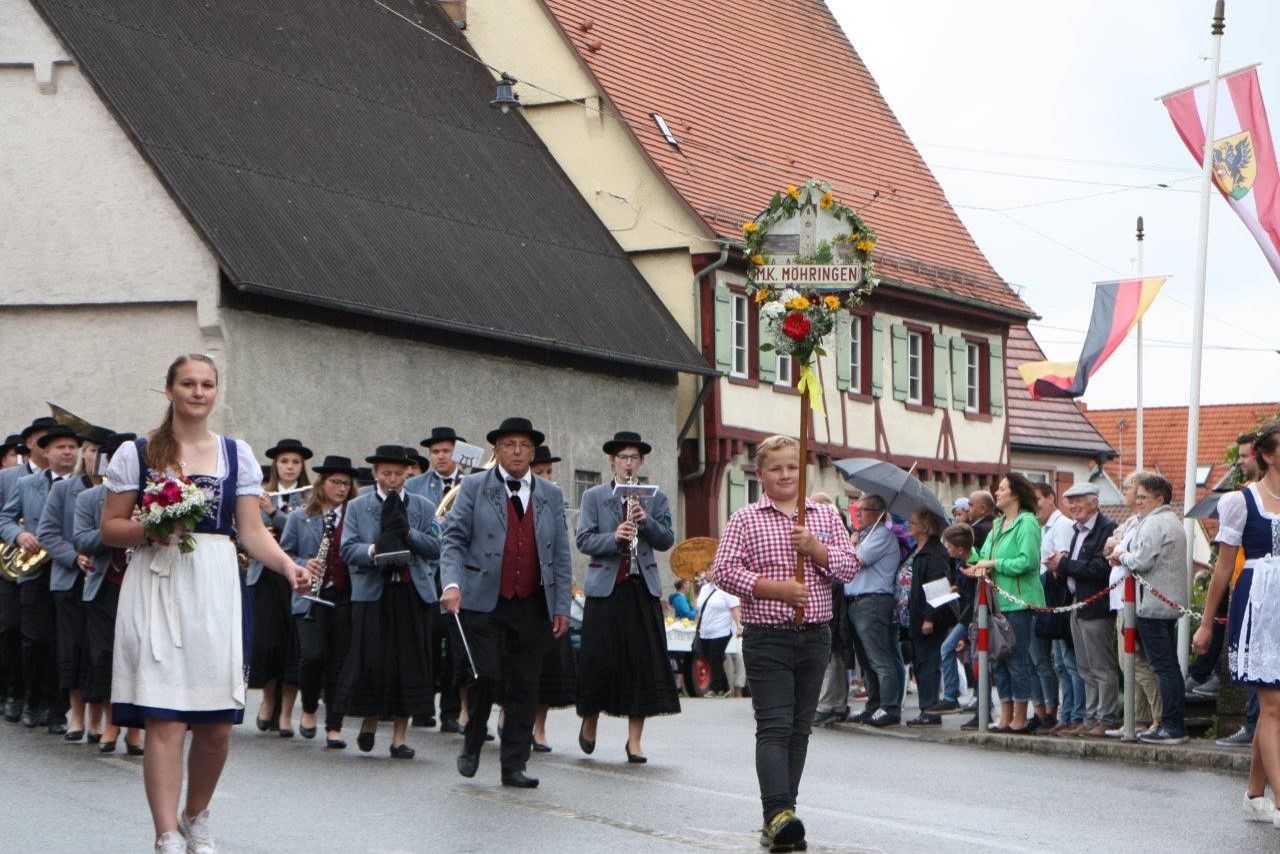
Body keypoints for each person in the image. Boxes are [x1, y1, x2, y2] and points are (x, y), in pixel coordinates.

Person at [99, 353, 310, 853]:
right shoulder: (139, 452)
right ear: (169, 390)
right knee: (166, 716)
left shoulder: (235, 454)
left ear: (216, 392)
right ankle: (165, 831)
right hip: (158, 582)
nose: (198, 392)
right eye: (188, 383)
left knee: (215, 725)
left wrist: (286, 565)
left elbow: (251, 530)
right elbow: (110, 528)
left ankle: (196, 815)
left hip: (215, 585)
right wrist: (154, 525)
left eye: (207, 384)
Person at [713, 435, 857, 852]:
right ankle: (777, 812)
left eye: (792, 467)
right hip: (768, 636)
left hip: (815, 635)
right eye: (776, 468)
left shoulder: (824, 518)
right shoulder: (745, 519)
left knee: (799, 728)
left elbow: (848, 566)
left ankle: (782, 816)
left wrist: (815, 548)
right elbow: (724, 570)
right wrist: (772, 588)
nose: (785, 475)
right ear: (760, 475)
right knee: (774, 725)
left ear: (803, 470)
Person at [440, 417, 573, 789]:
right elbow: (452, 540)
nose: (518, 451)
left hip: (531, 602)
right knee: (486, 675)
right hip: (483, 599)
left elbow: (560, 555)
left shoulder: (550, 494)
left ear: (533, 452)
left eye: (525, 445)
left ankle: (513, 764)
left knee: (525, 685)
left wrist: (561, 605)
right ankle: (472, 743)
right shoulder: (474, 487)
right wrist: (451, 583)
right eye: (510, 444)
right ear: (496, 451)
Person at [1193, 420, 1280, 825]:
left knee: (1274, 709)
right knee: (1273, 704)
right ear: (1267, 454)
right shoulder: (1241, 501)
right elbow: (1224, 567)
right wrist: (1207, 623)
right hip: (1259, 602)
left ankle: (1254, 793)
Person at [575, 431, 681, 761]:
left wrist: (645, 521)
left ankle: (634, 741)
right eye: (623, 458)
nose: (628, 463)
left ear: (642, 461)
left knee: (642, 665)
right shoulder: (594, 496)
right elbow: (583, 539)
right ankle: (589, 721)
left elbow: (666, 540)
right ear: (612, 461)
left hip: (641, 589)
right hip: (606, 591)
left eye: (634, 458)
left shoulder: (656, 498)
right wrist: (614, 537)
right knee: (599, 661)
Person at [336, 445, 440, 759]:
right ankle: (369, 720)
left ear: (407, 474)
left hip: (411, 594)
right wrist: (375, 550)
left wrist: (408, 534)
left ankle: (399, 737)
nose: (392, 479)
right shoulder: (358, 506)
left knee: (409, 664)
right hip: (373, 594)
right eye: (386, 473)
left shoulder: (422, 506)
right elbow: (347, 549)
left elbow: (436, 545)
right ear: (376, 473)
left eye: (398, 473)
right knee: (372, 661)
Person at [0, 422, 83, 732]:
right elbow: (5, 518)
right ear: (46, 452)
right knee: (35, 638)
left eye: (72, 448)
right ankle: (32, 700)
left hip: (66, 570)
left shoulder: (82, 486)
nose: (67, 452)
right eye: (60, 447)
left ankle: (57, 710)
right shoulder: (26, 485)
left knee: (64, 642)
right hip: (34, 571)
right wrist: (19, 535)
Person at [36, 424, 114, 742]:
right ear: (85, 452)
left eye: (102, 452)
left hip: (106, 578)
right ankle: (76, 715)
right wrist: (74, 557)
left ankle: (98, 719)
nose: (97, 457)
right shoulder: (64, 490)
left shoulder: (118, 491)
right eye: (92, 450)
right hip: (70, 579)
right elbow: (48, 533)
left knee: (99, 651)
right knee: (72, 647)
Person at [72, 431, 143, 755]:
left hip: (142, 587)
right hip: (104, 588)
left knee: (137, 658)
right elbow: (82, 540)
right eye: (114, 459)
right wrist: (119, 530)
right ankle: (109, 723)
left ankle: (132, 732)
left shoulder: (152, 497)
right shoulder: (90, 498)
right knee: (104, 657)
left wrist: (145, 527)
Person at [281, 455, 358, 750]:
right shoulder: (300, 517)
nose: (340, 488)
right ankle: (310, 707)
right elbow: (285, 554)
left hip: (343, 596)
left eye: (346, 483)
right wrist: (305, 563)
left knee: (340, 661)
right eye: (335, 482)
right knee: (312, 656)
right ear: (322, 483)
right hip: (309, 597)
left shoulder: (355, 516)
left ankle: (335, 726)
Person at [962, 473, 1044, 734]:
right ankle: (1005, 714)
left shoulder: (1027, 523)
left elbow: (1028, 561)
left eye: (1003, 489)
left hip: (1018, 602)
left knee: (1017, 659)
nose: (997, 493)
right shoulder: (997, 526)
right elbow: (983, 557)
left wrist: (994, 565)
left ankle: (1021, 715)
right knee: (997, 659)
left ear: (1016, 494)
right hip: (995, 603)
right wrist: (968, 555)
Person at [1112, 472, 1188, 745]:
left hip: (1153, 605)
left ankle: (1171, 724)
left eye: (1143, 497)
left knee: (1162, 667)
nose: (1138, 501)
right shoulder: (1169, 520)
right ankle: (1172, 722)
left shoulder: (1155, 523)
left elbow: (1141, 561)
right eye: (1138, 496)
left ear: (1159, 498)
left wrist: (1121, 554)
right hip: (1164, 603)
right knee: (1168, 665)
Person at [248, 438, 312, 737]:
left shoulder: (310, 498)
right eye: (285, 462)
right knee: (268, 643)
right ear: (276, 465)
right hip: (265, 575)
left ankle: (286, 712)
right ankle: (268, 699)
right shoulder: (260, 495)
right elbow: (244, 531)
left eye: (295, 462)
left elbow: (308, 533)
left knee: (293, 645)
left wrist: (275, 516)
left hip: (296, 573)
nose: (289, 467)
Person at [1045, 482, 1118, 738]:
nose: (1073, 507)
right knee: (1084, 666)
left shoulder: (1107, 529)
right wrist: (1059, 567)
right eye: (1070, 502)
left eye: (1078, 501)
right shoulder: (1078, 531)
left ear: (1094, 502)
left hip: (1096, 606)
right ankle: (1090, 719)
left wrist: (1064, 564)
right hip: (1077, 603)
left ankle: (1106, 718)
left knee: (1101, 666)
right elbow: (1079, 566)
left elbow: (1100, 568)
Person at [405, 425, 467, 731]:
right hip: (426, 573)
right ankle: (422, 706)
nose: (441, 456)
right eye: (436, 452)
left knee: (457, 647)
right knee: (425, 642)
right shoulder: (415, 485)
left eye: (446, 451)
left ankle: (451, 713)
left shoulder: (471, 483)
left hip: (460, 574)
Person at [0, 418, 52, 724]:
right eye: (43, 438)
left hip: (46, 564)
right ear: (30, 443)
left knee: (41, 635)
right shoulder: (8, 478)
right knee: (10, 627)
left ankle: (40, 696)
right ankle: (12, 691)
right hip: (10, 562)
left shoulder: (63, 480)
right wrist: (16, 534)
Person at [1103, 472, 1162, 736]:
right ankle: (1136, 719)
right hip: (1120, 600)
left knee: (1135, 662)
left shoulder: (1147, 523)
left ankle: (1159, 716)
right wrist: (1116, 549)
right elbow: (1111, 544)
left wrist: (1118, 551)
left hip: (1135, 599)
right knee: (1127, 661)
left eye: (1133, 491)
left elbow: (1128, 553)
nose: (1130, 496)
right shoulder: (1132, 520)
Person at [527, 444, 577, 753]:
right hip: (519, 588)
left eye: (548, 471)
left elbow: (562, 547)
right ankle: (510, 716)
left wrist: (564, 583)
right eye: (540, 471)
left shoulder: (554, 499)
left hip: (547, 589)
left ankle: (540, 728)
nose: (546, 476)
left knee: (547, 664)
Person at [845, 494, 906, 727]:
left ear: (876, 512)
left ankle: (889, 707)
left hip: (873, 601)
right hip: (860, 600)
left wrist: (850, 545)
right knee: (867, 660)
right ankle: (874, 704)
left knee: (880, 658)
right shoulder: (866, 535)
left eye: (861, 510)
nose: (856, 514)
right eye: (855, 510)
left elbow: (856, 561)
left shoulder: (880, 534)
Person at [903, 508, 956, 727]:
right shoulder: (917, 548)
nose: (909, 525)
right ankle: (927, 707)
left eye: (913, 522)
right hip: (915, 616)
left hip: (929, 617)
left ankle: (930, 709)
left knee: (928, 663)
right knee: (920, 662)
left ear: (925, 527)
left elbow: (938, 587)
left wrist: (929, 618)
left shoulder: (936, 552)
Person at [1030, 482, 1073, 734]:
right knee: (1049, 661)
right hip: (1042, 599)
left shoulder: (1062, 525)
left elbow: (1060, 564)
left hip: (1056, 601)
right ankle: (1050, 712)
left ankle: (1060, 713)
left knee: (1061, 661)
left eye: (1037, 499)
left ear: (1050, 498)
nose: (1035, 506)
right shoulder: (1043, 527)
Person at [695, 573, 742, 698]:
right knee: (710, 658)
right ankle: (724, 687)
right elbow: (699, 607)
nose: (710, 573)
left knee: (715, 656)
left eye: (713, 569)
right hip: (706, 631)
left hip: (722, 630)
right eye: (708, 570)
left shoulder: (726, 589)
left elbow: (735, 608)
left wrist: (739, 626)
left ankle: (716, 688)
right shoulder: (704, 588)